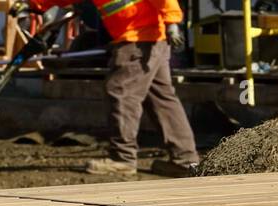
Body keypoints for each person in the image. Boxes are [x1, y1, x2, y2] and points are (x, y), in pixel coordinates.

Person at [30, 0, 200, 176]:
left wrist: (172, 21)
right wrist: (36, 4)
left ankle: (123, 158)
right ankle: (185, 160)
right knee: (161, 99)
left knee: (121, 92)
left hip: (139, 38)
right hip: (149, 39)